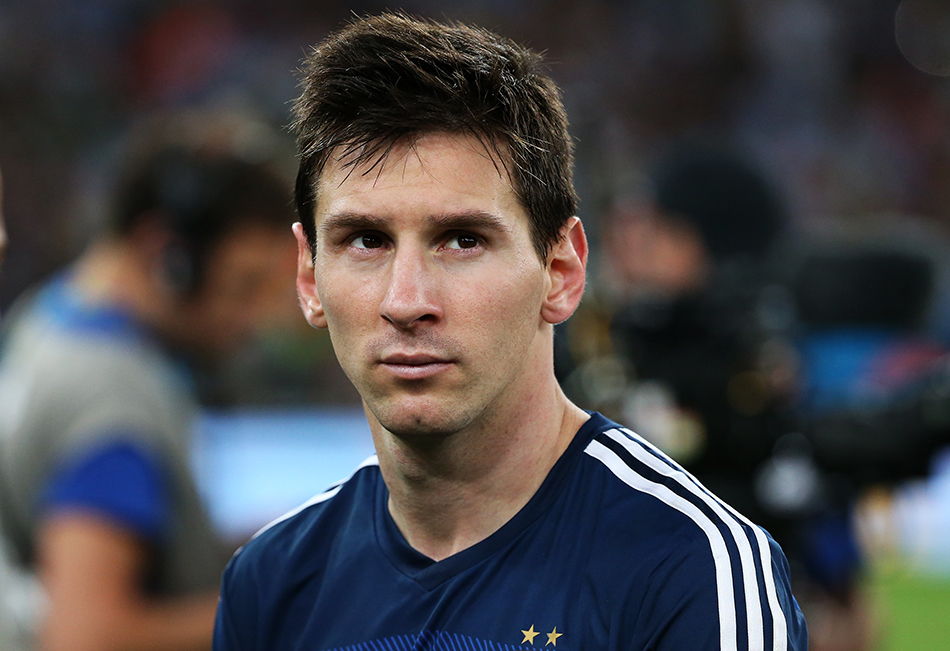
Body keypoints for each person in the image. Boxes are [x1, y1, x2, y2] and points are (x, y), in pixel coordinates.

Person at [214, 13, 808, 651]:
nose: (406, 300)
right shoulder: (272, 581)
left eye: (463, 240)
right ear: (309, 276)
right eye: (366, 240)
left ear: (560, 270)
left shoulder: (689, 568)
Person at [0, 113, 297, 651]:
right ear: (168, 255)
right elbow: (84, 636)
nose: (253, 321)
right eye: (243, 285)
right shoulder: (113, 395)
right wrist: (292, 605)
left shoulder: (49, 317)